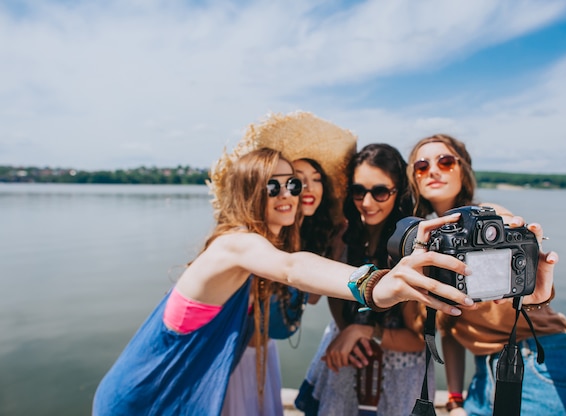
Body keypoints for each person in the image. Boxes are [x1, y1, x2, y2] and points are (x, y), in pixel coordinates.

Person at [91, 145, 478, 415]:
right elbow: (292, 267)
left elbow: (298, 270)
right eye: (272, 186)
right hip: (144, 396)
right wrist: (376, 285)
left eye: (293, 184)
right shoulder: (235, 245)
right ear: (247, 193)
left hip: (183, 392)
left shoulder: (262, 248)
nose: (290, 194)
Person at [406, 133, 566, 415]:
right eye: (422, 166)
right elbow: (451, 329)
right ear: (414, 179)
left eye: (445, 162)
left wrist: (513, 237)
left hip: (534, 357)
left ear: (463, 170)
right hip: (485, 370)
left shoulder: (489, 217)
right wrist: (455, 399)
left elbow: (525, 278)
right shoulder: (428, 242)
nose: (433, 170)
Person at [221, 112, 355, 416]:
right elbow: (290, 269)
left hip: (264, 353)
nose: (306, 189)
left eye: (316, 180)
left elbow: (312, 295)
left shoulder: (311, 235)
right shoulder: (257, 237)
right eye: (297, 182)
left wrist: (336, 243)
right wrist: (372, 284)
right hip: (236, 356)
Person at [296, 143, 436, 416]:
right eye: (359, 191)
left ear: (399, 192)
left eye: (380, 192)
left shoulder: (415, 245)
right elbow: (332, 295)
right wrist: (346, 329)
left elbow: (419, 339)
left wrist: (364, 331)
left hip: (398, 375)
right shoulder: (345, 235)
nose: (367, 203)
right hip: (345, 358)